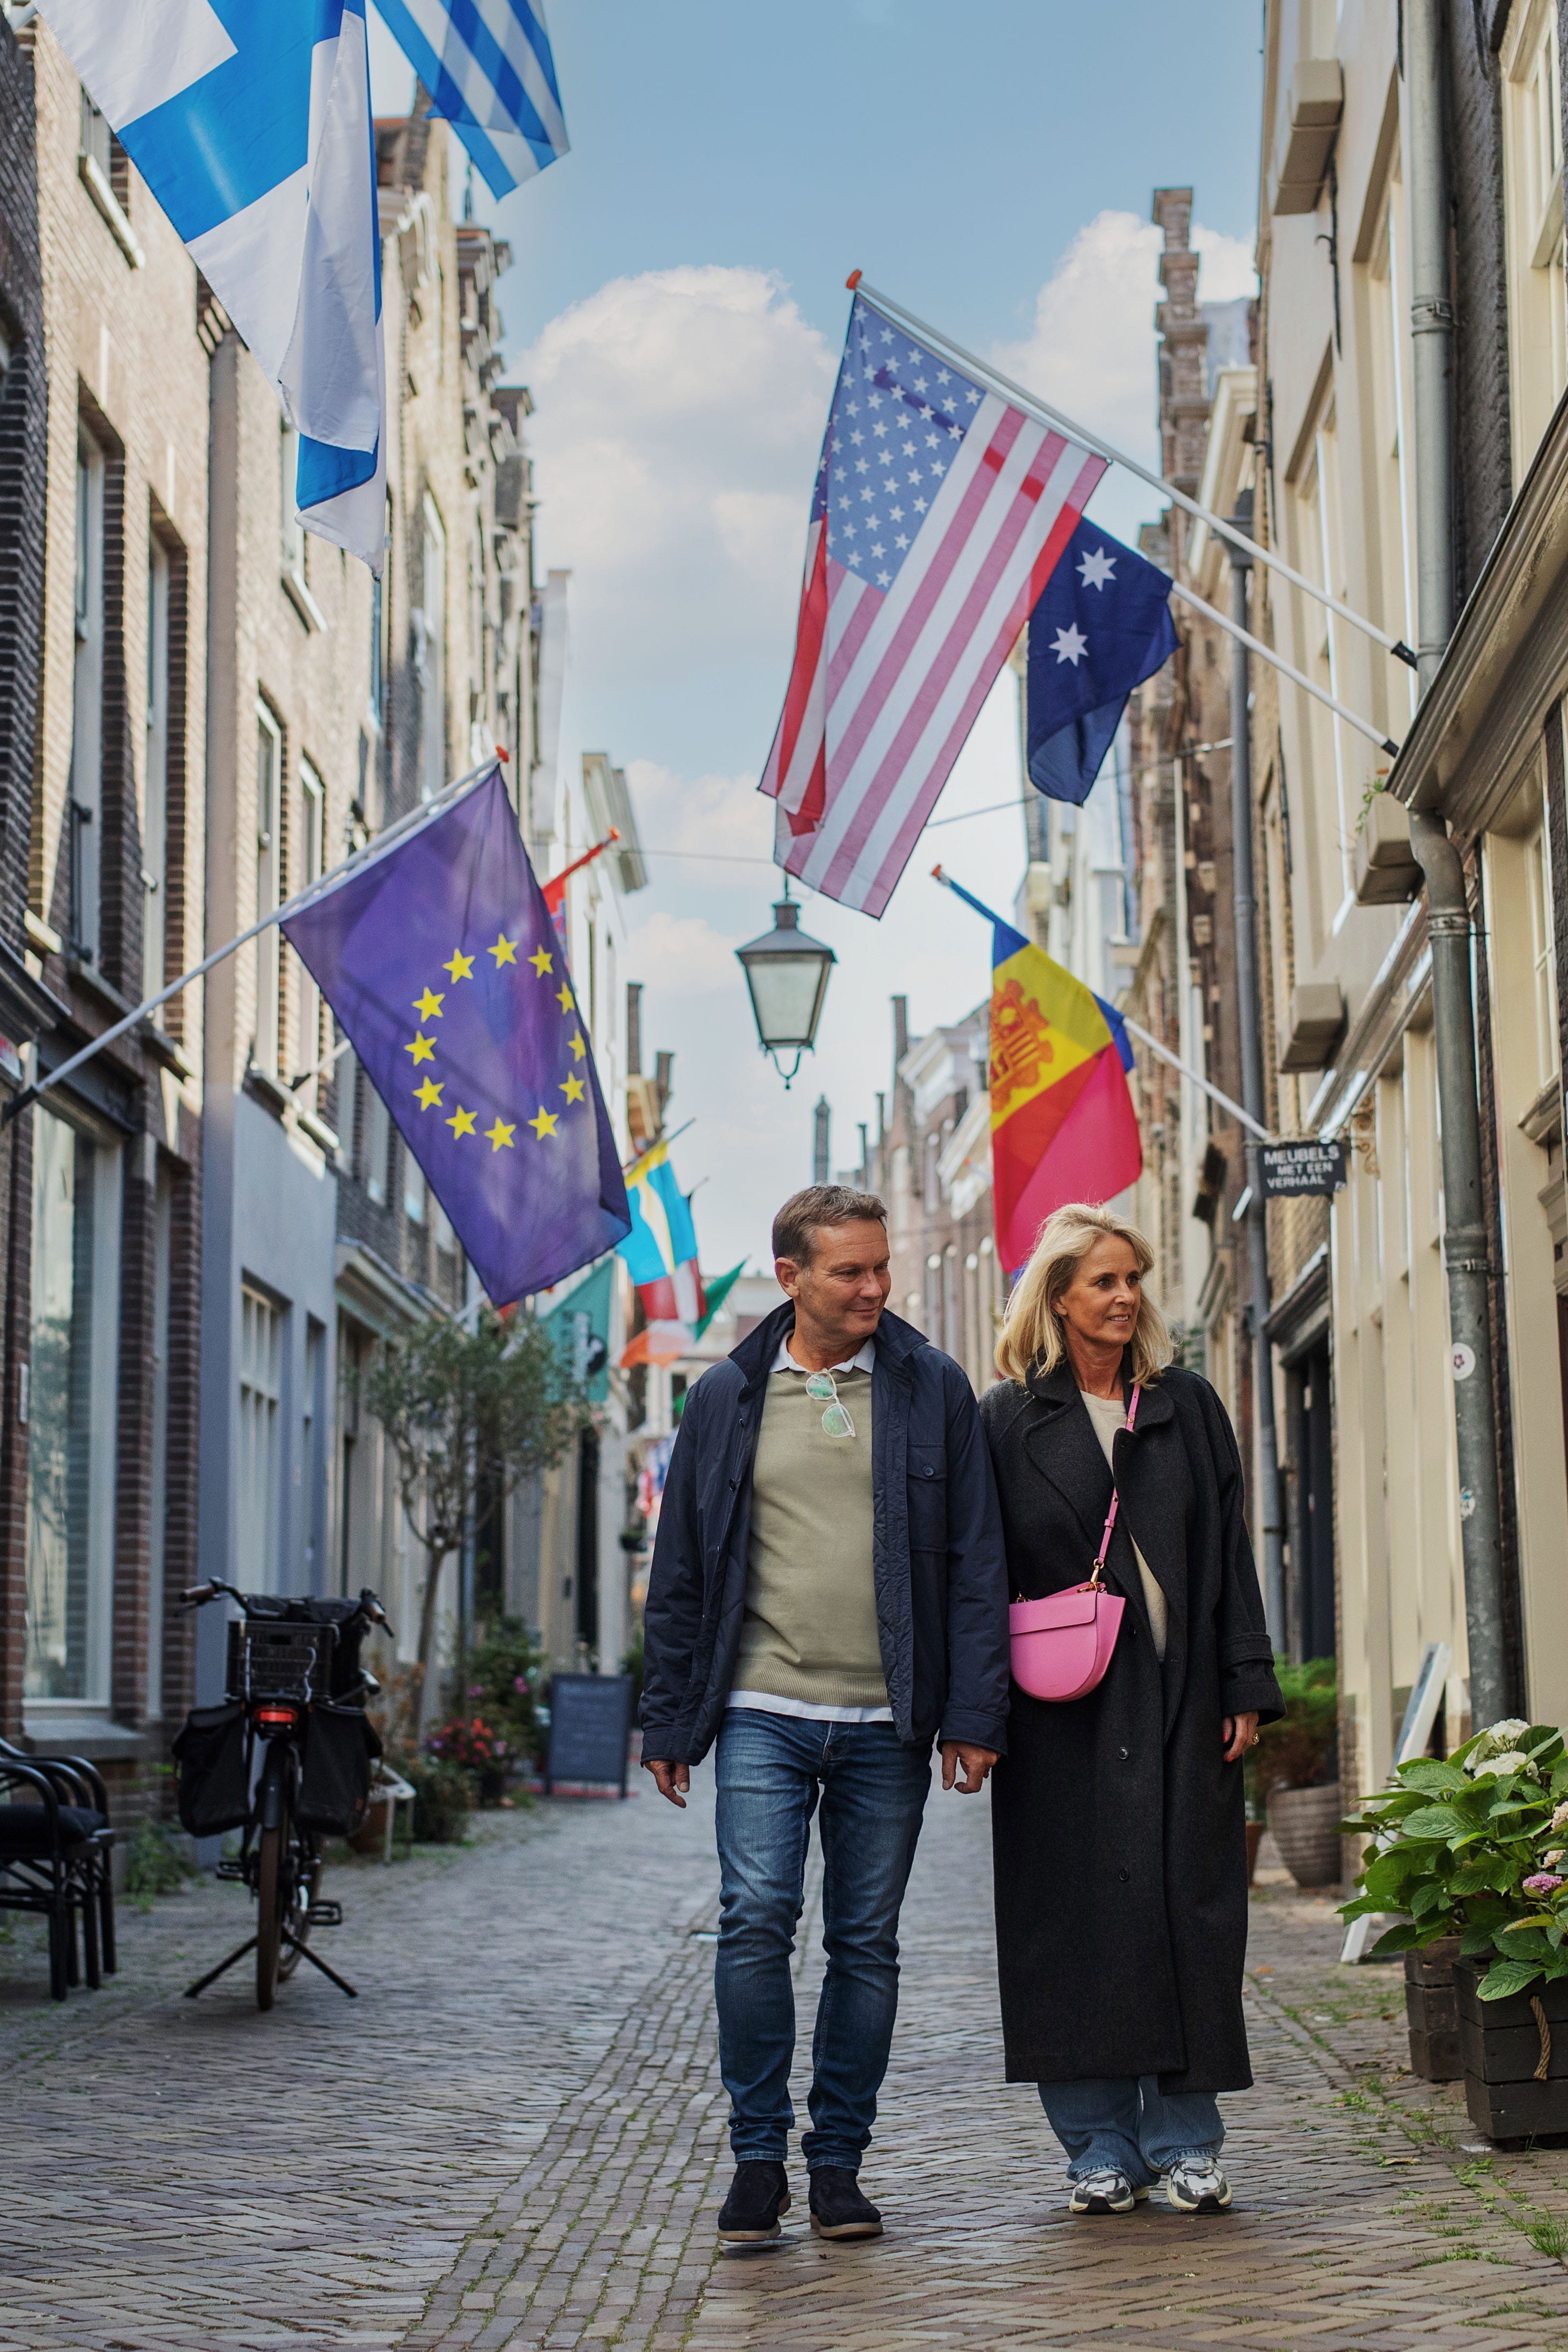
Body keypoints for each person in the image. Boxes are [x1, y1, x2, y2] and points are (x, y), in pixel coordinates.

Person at [640, 1185, 1009, 2247]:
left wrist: (972, 1713)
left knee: (867, 1941)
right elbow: (681, 1575)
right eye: (850, 1270)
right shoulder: (725, 1397)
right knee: (756, 1919)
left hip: (889, 1719)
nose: (874, 1287)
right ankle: (759, 2159)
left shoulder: (931, 1386)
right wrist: (670, 1721)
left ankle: (838, 2161)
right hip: (762, 1704)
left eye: (881, 1267)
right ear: (791, 1274)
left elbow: (977, 1562)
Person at [978, 1202, 1282, 2218]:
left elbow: (1231, 1552)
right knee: (1067, 1925)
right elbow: (982, 1576)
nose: (1125, 1296)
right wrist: (977, 1715)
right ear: (1057, 1296)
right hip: (1059, 1712)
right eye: (1103, 1280)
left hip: (1183, 1697)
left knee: (1191, 1914)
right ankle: (1097, 2149)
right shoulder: (1009, 1420)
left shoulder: (1185, 1405)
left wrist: (1245, 1678)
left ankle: (1187, 2141)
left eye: (1132, 1278)